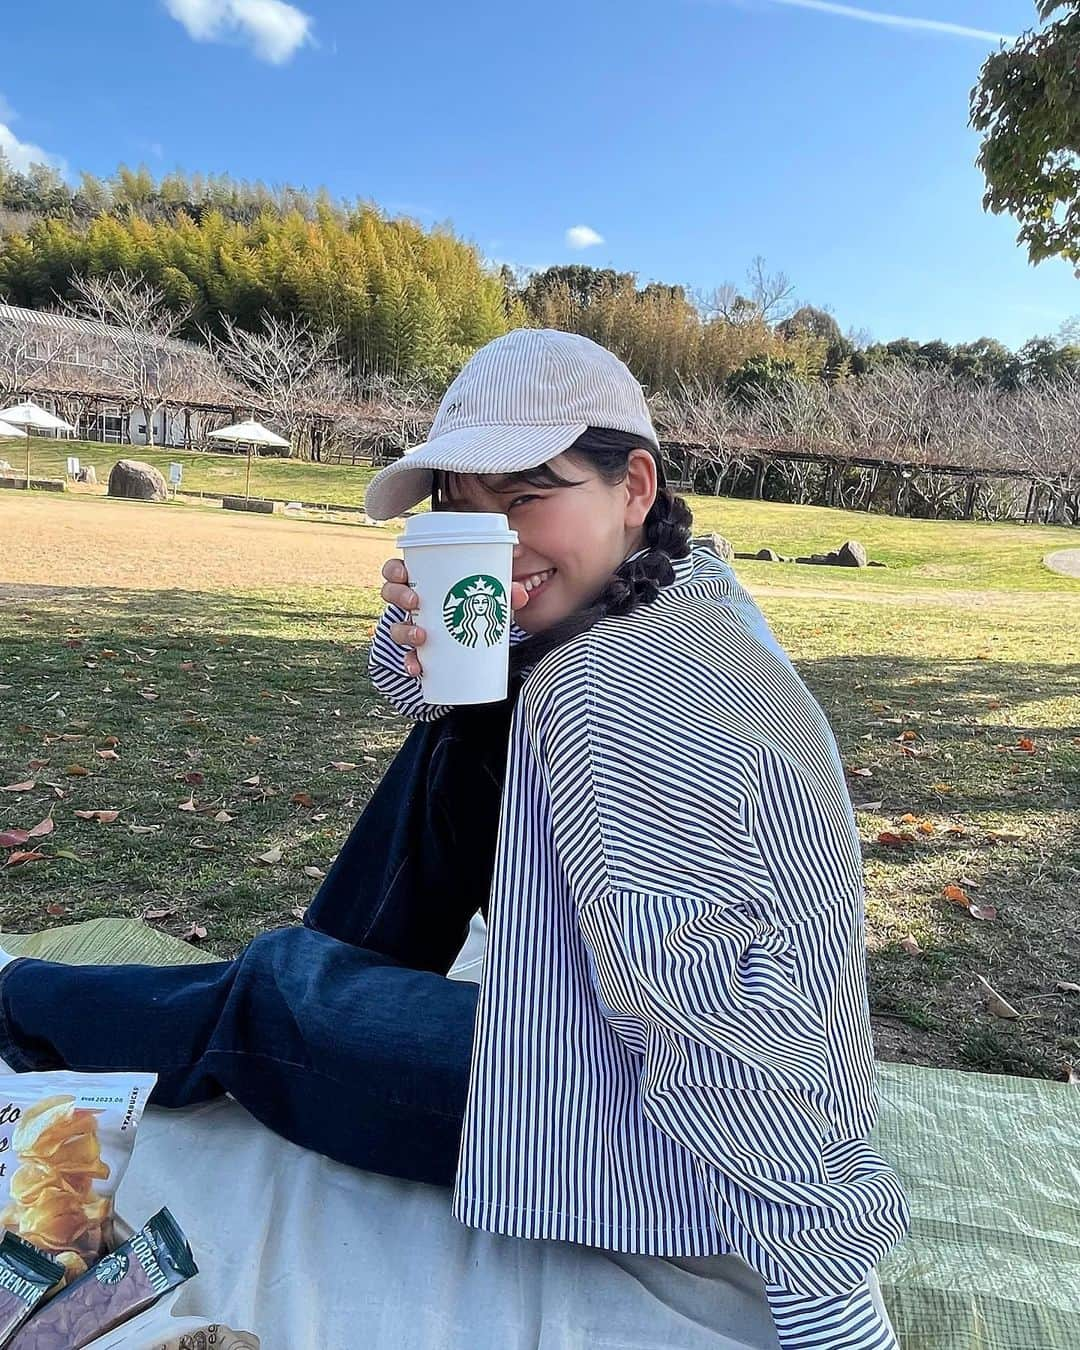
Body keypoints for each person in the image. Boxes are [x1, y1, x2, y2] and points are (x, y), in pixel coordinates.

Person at [0, 330, 909, 1348]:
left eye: (527, 498)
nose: (498, 541)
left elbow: (712, 1022)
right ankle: (334, 985)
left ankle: (24, 1004)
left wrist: (834, 1308)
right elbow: (422, 694)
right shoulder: (678, 589)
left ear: (634, 484)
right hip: (701, 1055)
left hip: (637, 1143)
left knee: (270, 997)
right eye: (460, 512)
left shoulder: (610, 697)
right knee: (463, 730)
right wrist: (413, 631)